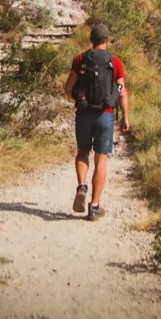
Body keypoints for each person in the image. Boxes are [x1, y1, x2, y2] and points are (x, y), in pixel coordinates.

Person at [64, 23, 130, 221]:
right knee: (101, 160)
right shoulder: (115, 62)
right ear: (107, 40)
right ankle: (94, 207)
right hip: (105, 115)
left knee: (82, 152)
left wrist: (77, 99)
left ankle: (82, 186)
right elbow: (122, 91)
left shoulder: (80, 60)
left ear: (90, 40)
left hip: (84, 114)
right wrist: (126, 117)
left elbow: (68, 89)